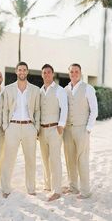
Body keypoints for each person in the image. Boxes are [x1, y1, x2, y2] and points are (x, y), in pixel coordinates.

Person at [1, 61, 40, 198]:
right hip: (13, 127)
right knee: (8, 159)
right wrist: (6, 127)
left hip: (30, 127)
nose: (22, 72)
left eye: (24, 70)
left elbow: (37, 110)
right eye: (20, 70)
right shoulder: (8, 89)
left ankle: (31, 188)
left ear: (27, 72)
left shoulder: (35, 89)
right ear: (16, 72)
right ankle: (5, 188)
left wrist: (36, 128)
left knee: (30, 159)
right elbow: (5, 109)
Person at [63, 63, 98, 199]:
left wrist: (88, 129)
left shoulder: (88, 88)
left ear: (80, 72)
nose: (74, 74)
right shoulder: (65, 89)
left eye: (76, 71)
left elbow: (94, 110)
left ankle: (85, 191)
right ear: (69, 73)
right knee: (69, 158)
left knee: (82, 159)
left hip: (82, 129)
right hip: (67, 129)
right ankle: (73, 187)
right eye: (72, 71)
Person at [39, 64, 68, 201]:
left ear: (53, 74)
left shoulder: (59, 90)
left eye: (49, 72)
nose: (46, 74)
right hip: (42, 130)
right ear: (42, 74)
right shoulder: (40, 90)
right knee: (45, 159)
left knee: (55, 159)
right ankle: (48, 185)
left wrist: (61, 126)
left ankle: (57, 190)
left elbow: (65, 109)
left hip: (54, 128)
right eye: (44, 72)